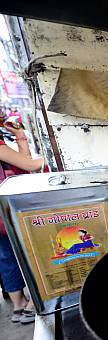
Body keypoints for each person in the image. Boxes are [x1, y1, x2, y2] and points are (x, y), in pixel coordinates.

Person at [0, 122, 44, 324]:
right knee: (31, 253)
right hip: (5, 212)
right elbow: (31, 165)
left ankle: (18, 306)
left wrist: (20, 135)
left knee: (6, 257)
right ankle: (33, 305)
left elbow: (21, 162)